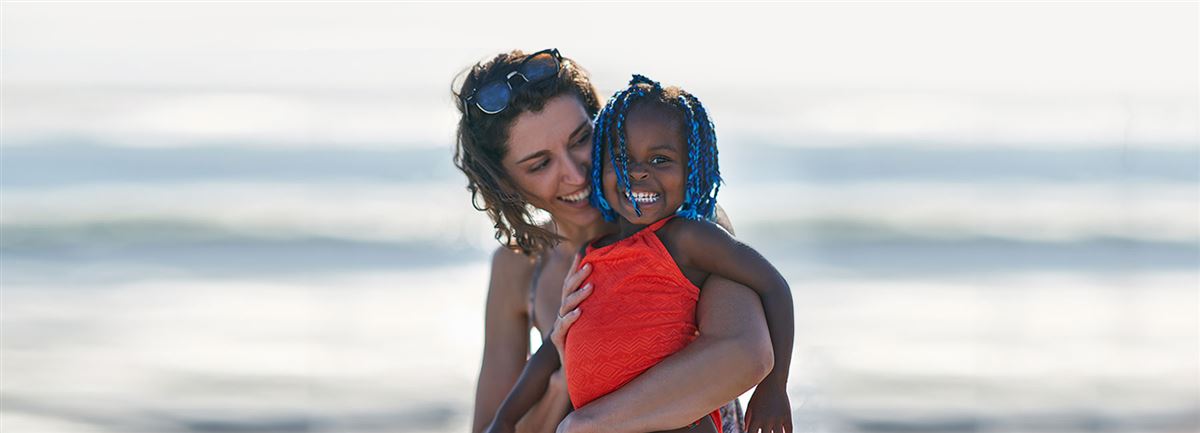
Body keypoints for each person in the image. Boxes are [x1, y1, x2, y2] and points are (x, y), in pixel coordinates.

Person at [453, 49, 775, 433]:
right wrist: (560, 382)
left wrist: (586, 421)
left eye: (581, 139)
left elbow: (747, 354)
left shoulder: (686, 226)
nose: (576, 174)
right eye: (540, 164)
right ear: (506, 185)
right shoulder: (519, 267)